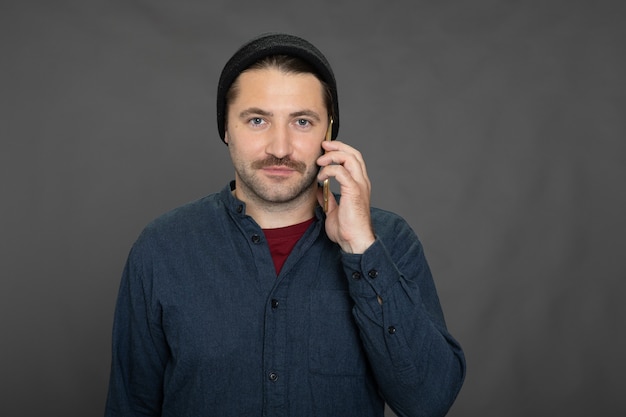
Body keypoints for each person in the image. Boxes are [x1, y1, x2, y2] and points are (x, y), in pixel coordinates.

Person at [105, 33, 465, 417]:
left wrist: (361, 247)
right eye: (257, 120)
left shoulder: (389, 242)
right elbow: (131, 407)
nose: (280, 147)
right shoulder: (162, 248)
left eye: (303, 122)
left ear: (329, 134)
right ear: (226, 129)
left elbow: (428, 402)